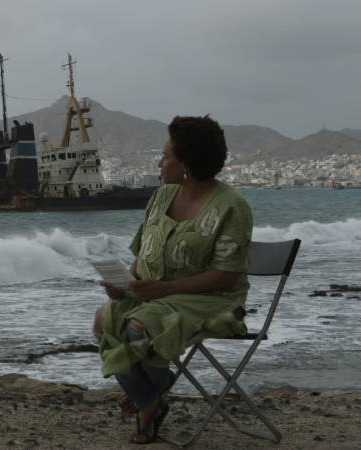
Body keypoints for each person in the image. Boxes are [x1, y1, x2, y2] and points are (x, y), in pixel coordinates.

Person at [93, 115, 253, 444]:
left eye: (166, 156)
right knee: (103, 320)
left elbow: (226, 275)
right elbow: (143, 253)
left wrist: (164, 289)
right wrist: (126, 283)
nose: (159, 162)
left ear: (187, 165)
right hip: (155, 296)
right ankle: (150, 396)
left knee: (141, 326)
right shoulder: (162, 197)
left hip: (214, 301)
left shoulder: (232, 206)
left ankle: (148, 402)